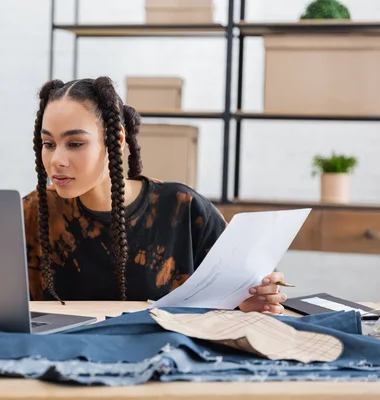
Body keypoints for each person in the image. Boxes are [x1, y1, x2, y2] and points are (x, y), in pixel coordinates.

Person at [22, 76, 287, 314]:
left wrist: (249, 301)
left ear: (116, 140)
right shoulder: (32, 212)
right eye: (48, 144)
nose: (57, 160)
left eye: (75, 144)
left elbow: (237, 299)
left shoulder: (183, 209)